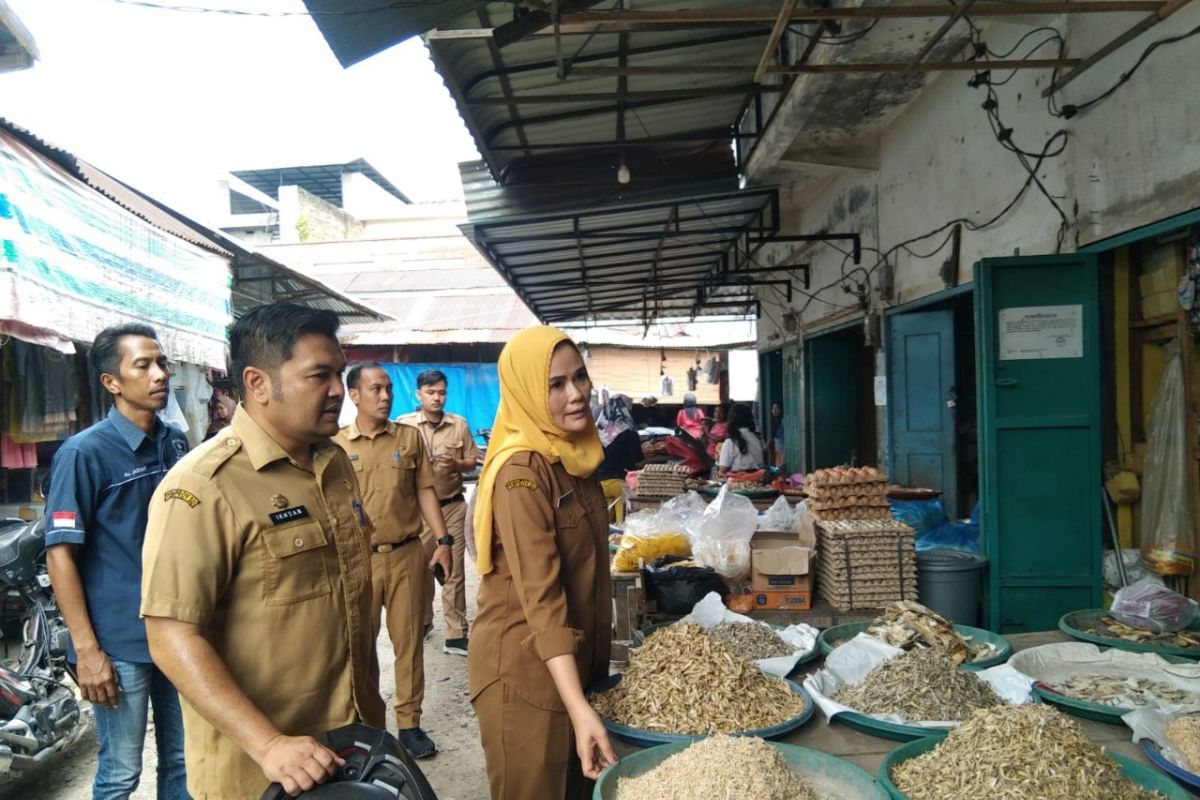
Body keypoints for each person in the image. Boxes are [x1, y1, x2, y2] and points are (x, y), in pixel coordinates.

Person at [140, 303, 386, 800]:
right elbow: (170, 634)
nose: (339, 390)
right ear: (257, 383)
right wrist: (269, 743)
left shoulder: (334, 462)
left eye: (339, 373)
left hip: (347, 745)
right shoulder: (202, 486)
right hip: (262, 771)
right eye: (319, 375)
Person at [469, 326, 617, 800]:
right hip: (527, 676)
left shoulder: (573, 456)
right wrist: (580, 710)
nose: (576, 394)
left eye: (580, 377)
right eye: (555, 384)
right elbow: (544, 598)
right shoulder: (521, 472)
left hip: (574, 670)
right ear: (527, 391)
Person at [45, 323, 189, 800]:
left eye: (162, 363)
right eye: (143, 365)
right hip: (118, 643)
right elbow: (60, 554)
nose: (160, 375)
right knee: (121, 773)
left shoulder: (175, 444)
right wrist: (87, 652)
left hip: (178, 630)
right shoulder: (83, 453)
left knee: (185, 764)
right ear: (111, 382)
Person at [333, 364, 453, 762]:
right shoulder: (335, 444)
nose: (385, 396)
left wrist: (443, 540)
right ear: (354, 394)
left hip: (406, 555)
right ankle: (370, 727)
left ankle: (410, 724)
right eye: (375, 389)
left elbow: (425, 491)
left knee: (409, 644)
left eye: (387, 389)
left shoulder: (409, 437)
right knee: (361, 650)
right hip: (359, 563)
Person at [397, 369, 479, 658]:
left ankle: (456, 634)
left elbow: (472, 460)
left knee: (452, 571)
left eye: (442, 392)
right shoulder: (403, 427)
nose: (437, 398)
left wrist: (456, 466)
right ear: (418, 394)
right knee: (419, 571)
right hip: (417, 513)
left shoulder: (459, 425)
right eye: (431, 393)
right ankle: (423, 621)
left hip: (452, 506)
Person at [595, 394, 644, 524]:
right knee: (622, 527)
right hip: (621, 484)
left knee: (605, 527)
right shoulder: (629, 432)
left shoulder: (598, 430)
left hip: (599, 484)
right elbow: (638, 460)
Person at [716, 403, 766, 477]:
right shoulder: (758, 438)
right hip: (758, 481)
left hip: (738, 483)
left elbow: (723, 470)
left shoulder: (730, 442)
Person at [768, 400, 785, 467]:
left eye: (777, 408)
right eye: (773, 408)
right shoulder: (774, 420)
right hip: (777, 449)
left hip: (783, 449)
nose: (775, 410)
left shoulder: (783, 420)